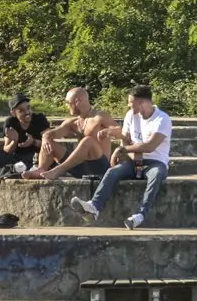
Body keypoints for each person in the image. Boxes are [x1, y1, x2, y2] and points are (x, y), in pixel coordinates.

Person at [73, 85, 171, 229]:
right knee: (113, 171)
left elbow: (150, 146)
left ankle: (140, 214)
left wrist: (121, 149)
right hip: (134, 161)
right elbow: (127, 139)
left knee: (156, 175)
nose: (129, 106)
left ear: (141, 103)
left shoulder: (162, 119)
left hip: (155, 162)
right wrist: (116, 135)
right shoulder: (131, 116)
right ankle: (94, 207)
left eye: (131, 103)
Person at [23, 86, 118, 181]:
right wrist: (45, 138)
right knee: (49, 141)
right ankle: (41, 170)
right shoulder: (73, 123)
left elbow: (120, 130)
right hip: (79, 167)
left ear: (77, 101)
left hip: (99, 166)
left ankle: (58, 170)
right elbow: (51, 133)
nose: (66, 106)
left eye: (68, 103)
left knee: (88, 140)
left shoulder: (99, 116)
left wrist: (109, 131)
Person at [0, 94, 49, 176]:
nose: (27, 112)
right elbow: (7, 150)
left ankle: (21, 170)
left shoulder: (39, 119)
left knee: (49, 157)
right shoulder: (10, 122)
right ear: (13, 113)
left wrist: (33, 141)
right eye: (21, 110)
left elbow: (49, 144)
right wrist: (14, 141)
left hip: (37, 158)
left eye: (28, 108)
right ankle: (23, 170)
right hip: (19, 160)